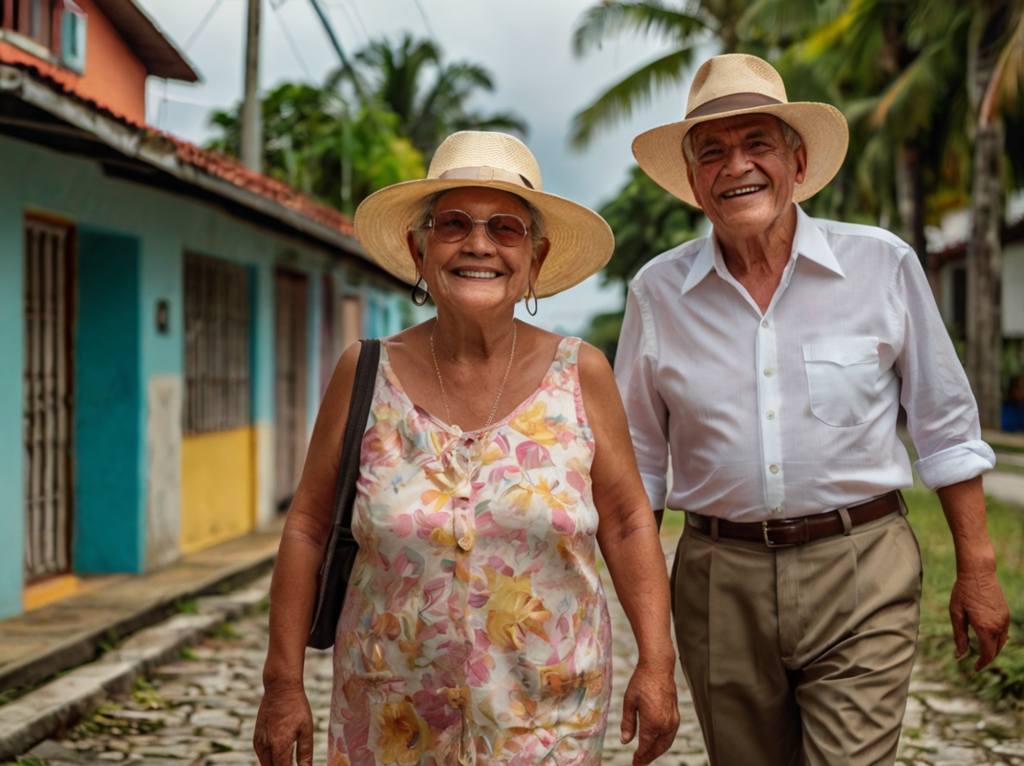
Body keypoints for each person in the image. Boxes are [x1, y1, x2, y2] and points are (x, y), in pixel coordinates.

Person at [615, 53, 1011, 765]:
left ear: (797, 162)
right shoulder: (656, 293)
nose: (737, 166)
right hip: (717, 577)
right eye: (713, 152)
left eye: (757, 144)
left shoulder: (882, 265)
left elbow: (945, 426)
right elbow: (635, 478)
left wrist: (977, 569)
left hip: (861, 565)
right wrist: (651, 650)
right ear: (695, 180)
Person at [254, 131, 679, 766]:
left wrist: (658, 661)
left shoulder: (581, 373)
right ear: (418, 249)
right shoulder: (366, 372)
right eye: (453, 224)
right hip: (390, 721)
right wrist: (282, 685)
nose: (478, 244)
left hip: (546, 721)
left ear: (535, 258)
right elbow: (310, 527)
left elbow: (625, 520)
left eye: (505, 229)